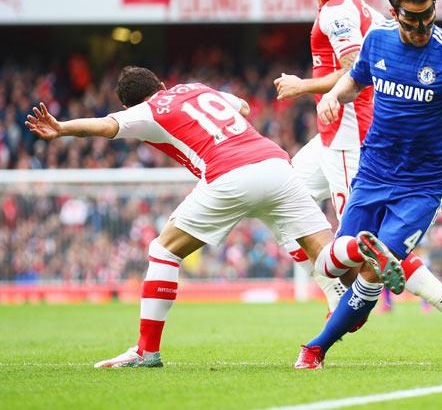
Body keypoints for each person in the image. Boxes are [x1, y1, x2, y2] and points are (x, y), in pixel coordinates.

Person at [24, 66, 360, 368]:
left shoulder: (148, 111)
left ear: (131, 104)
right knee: (326, 252)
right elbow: (242, 107)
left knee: (163, 250)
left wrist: (62, 128)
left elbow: (105, 126)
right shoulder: (196, 88)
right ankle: (360, 253)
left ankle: (146, 351)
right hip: (276, 163)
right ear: (160, 82)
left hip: (229, 173)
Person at [294, 0, 442, 369]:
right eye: (411, 20)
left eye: (427, 17)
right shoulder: (377, 40)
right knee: (336, 264)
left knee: (375, 270)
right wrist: (332, 96)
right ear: (394, 13)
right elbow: (354, 81)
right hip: (373, 172)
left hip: (422, 185)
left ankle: (314, 348)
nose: (420, 27)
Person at [275, 0, 442, 338]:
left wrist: (302, 85)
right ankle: (335, 291)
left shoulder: (339, 12)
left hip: (354, 137)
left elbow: (354, 72)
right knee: (280, 193)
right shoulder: (346, 5)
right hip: (330, 137)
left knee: (371, 249)